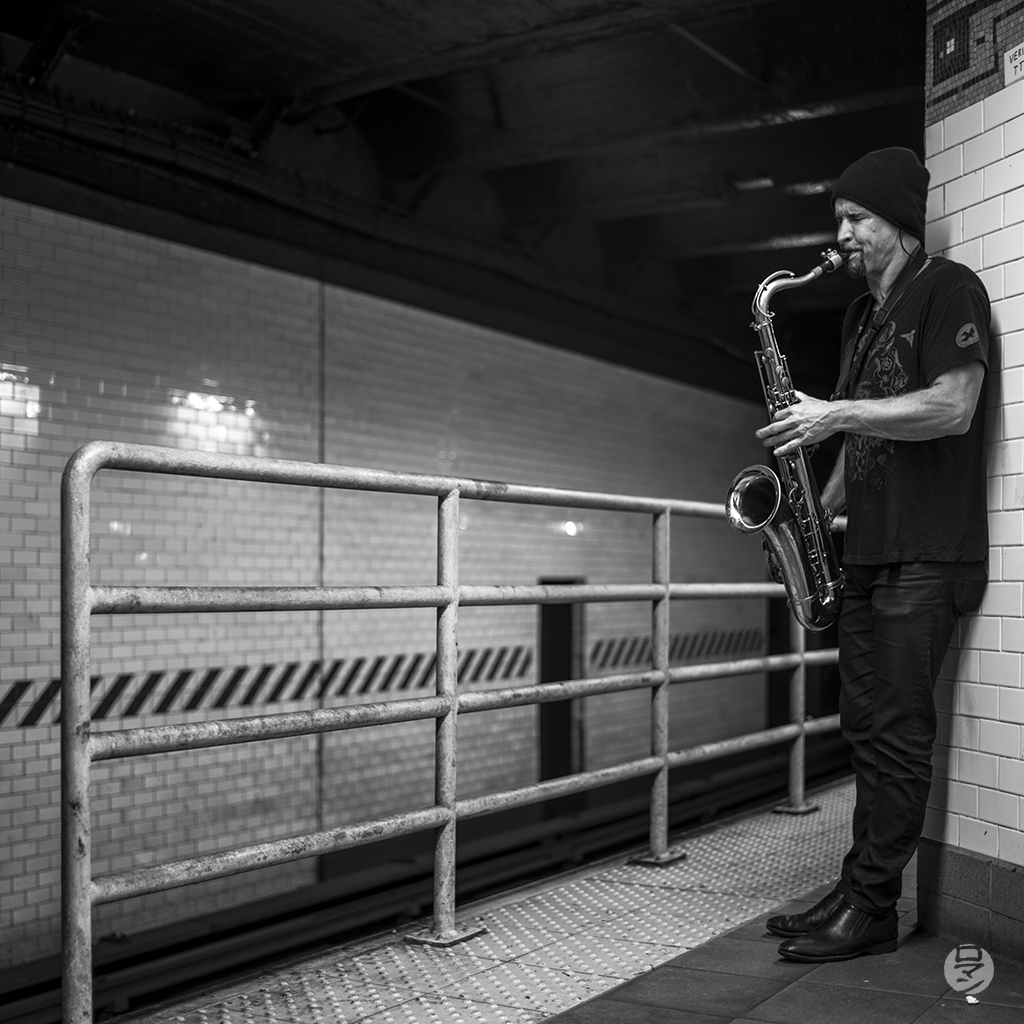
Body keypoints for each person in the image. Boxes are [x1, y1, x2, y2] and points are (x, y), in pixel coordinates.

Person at [754, 147, 990, 963]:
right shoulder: (860, 316)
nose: (843, 234)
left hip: (929, 554)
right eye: (840, 221)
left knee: (896, 734)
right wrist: (809, 522)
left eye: (856, 219)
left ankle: (873, 907)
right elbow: (854, 433)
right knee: (864, 729)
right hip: (869, 558)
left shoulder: (948, 288)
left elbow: (952, 408)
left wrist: (834, 415)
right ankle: (858, 887)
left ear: (898, 222)